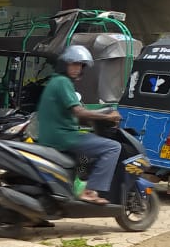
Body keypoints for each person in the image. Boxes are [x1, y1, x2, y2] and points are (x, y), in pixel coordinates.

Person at [34, 45, 122, 205]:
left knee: (87, 153)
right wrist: (107, 117)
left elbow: (74, 114)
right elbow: (79, 112)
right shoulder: (62, 82)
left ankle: (76, 186)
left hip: (53, 135)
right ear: (64, 64)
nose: (77, 68)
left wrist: (95, 117)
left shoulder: (55, 82)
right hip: (63, 137)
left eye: (80, 65)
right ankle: (89, 191)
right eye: (73, 64)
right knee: (113, 147)